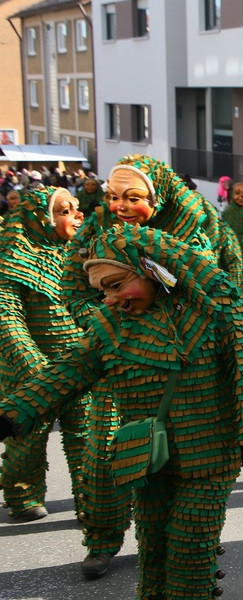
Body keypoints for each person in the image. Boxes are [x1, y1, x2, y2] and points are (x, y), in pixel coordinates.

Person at [0, 223, 243, 598]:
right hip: (145, 457)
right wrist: (13, 413)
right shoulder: (110, 325)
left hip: (207, 455)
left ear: (150, 269)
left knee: (190, 543)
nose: (109, 299)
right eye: (103, 291)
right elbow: (70, 370)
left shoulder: (218, 309)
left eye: (114, 285)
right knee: (154, 545)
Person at [0, 188, 88, 524]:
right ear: (43, 218)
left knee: (87, 433)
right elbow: (7, 317)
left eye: (76, 209)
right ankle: (23, 493)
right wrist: (32, 366)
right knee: (28, 437)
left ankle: (90, 497)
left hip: (78, 363)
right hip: (31, 367)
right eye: (66, 211)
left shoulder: (77, 254)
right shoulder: (12, 259)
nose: (76, 216)